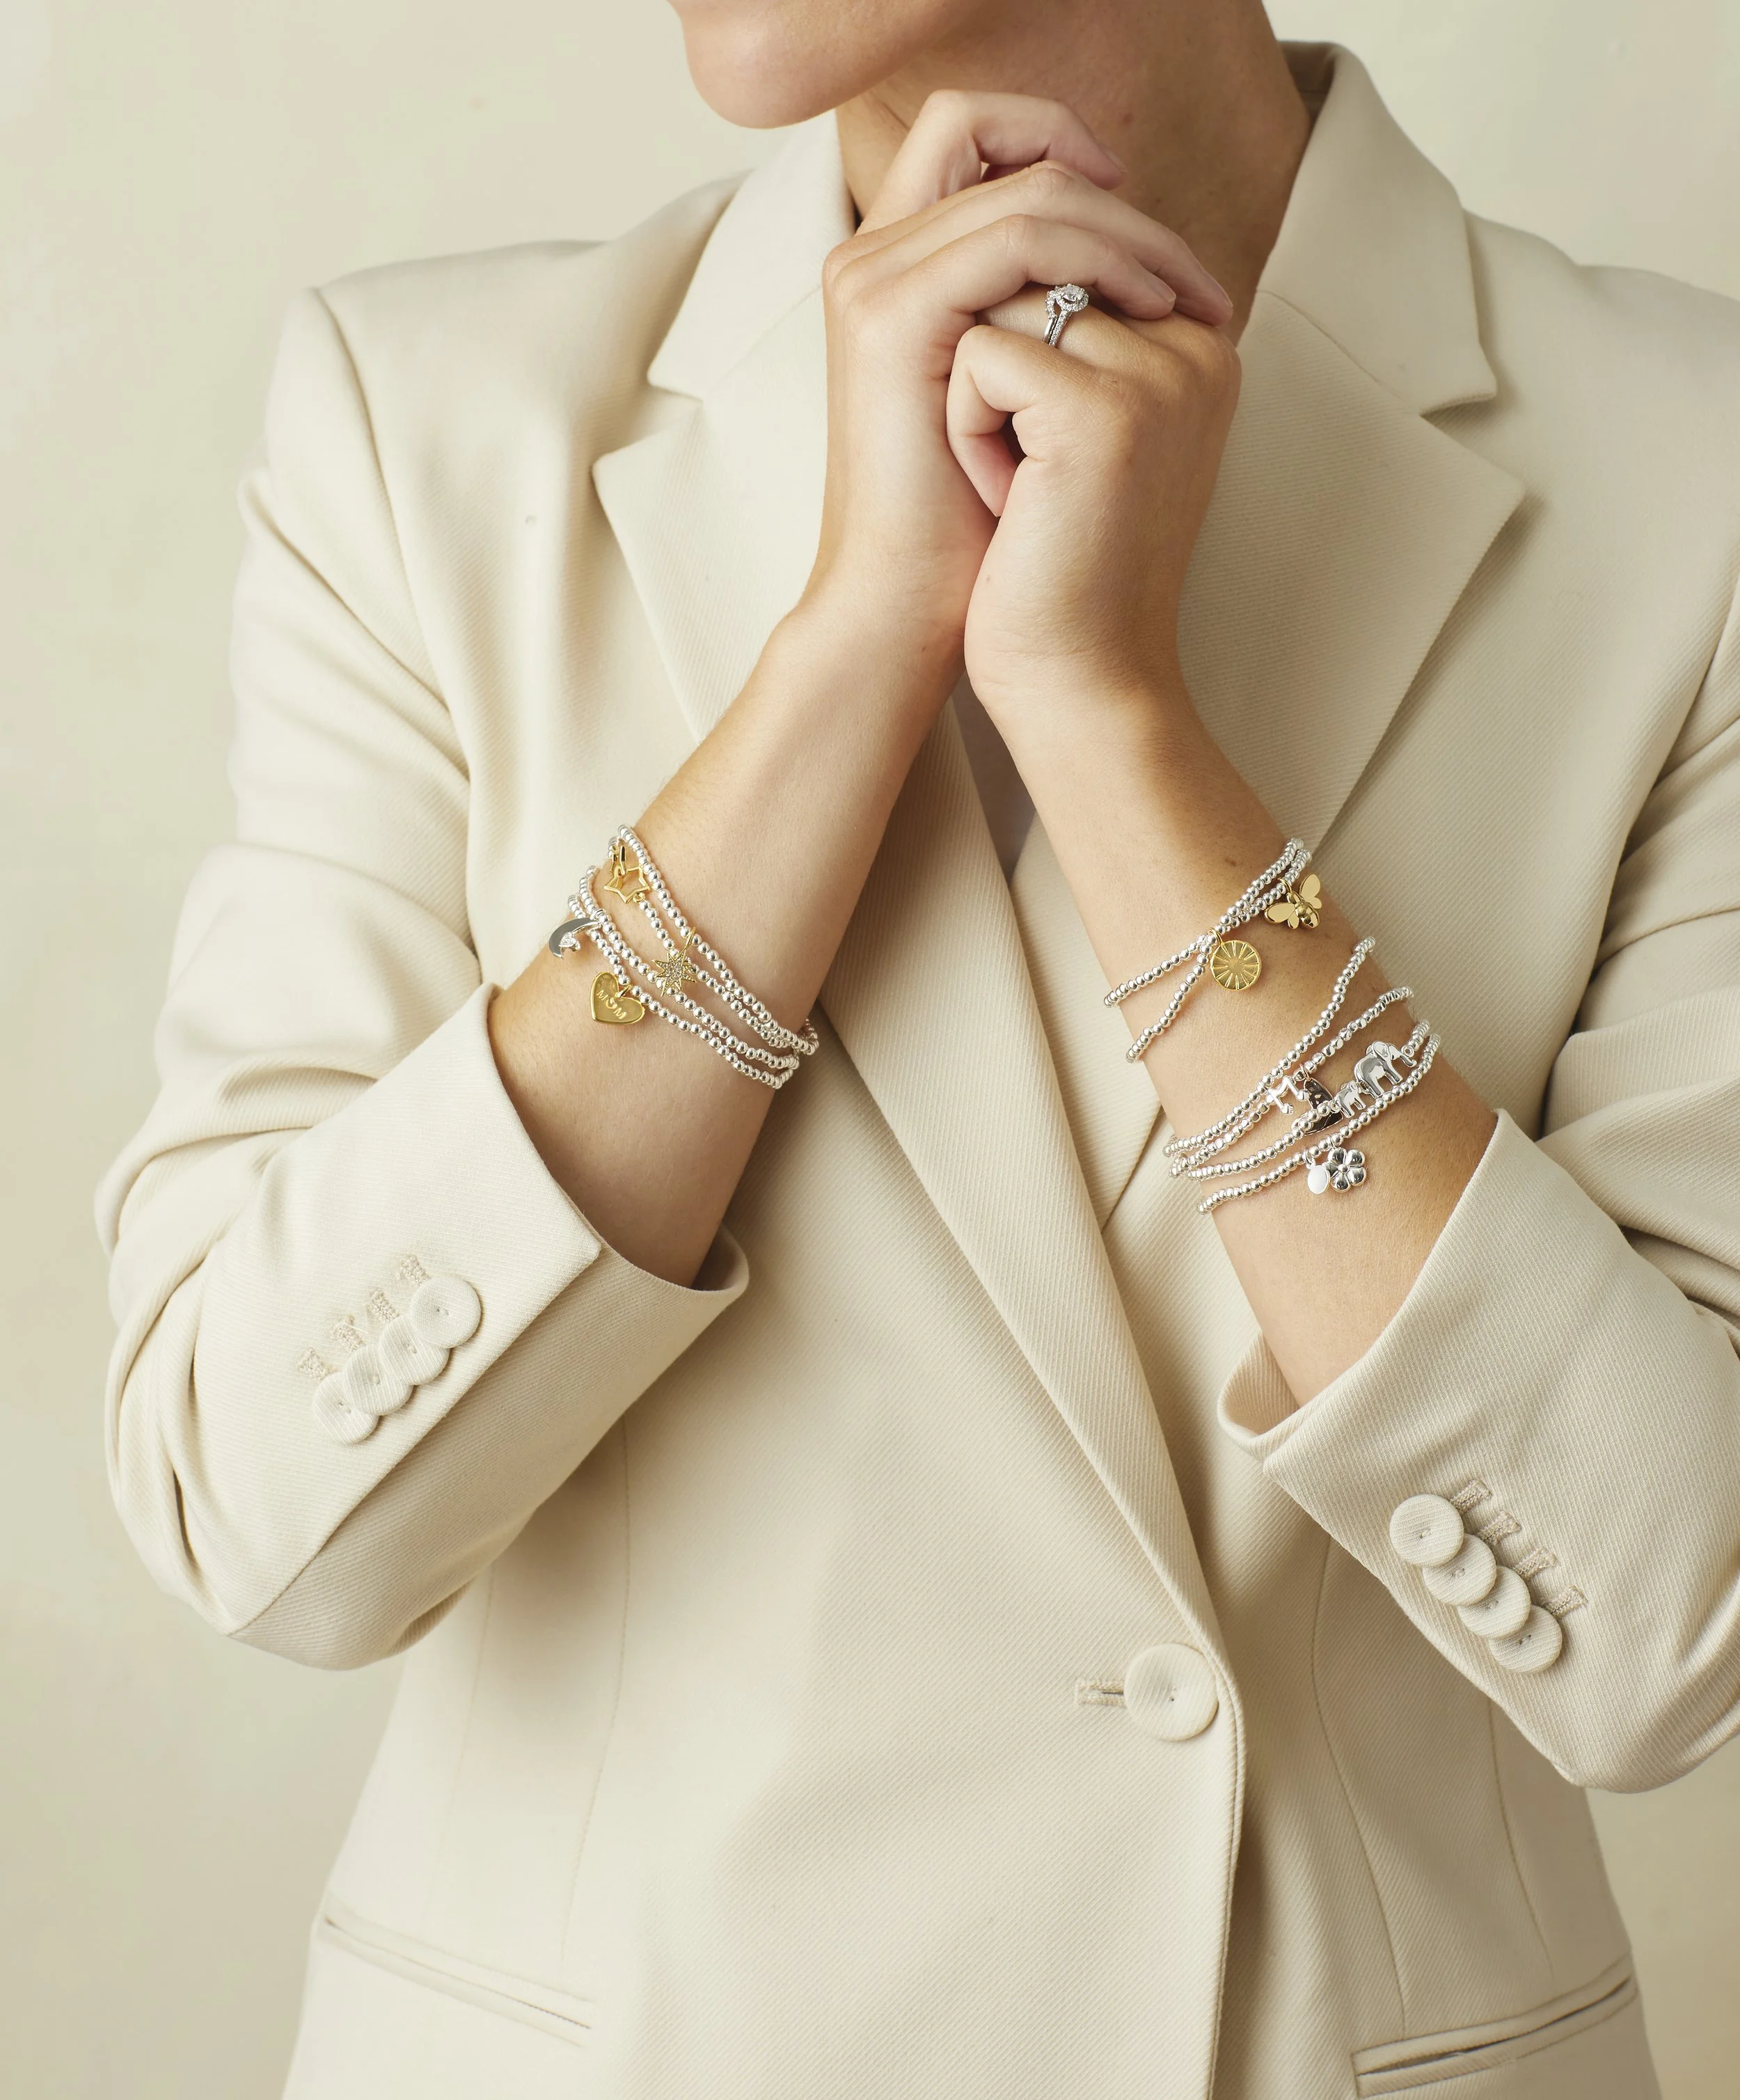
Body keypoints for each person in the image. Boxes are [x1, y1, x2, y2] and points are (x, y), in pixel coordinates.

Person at [97, 0, 1740, 2092]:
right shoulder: (425, 423)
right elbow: (264, 1519)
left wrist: (1111, 722)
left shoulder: (1691, 469)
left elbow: (1667, 1629)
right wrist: (846, 651)